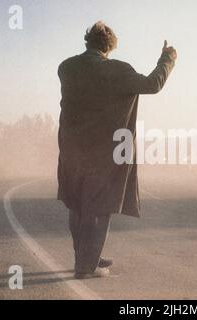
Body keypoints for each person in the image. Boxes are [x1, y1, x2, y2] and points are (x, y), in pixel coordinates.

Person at [57, 21, 177, 279]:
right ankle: (85, 267)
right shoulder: (118, 70)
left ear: (87, 40)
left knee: (76, 205)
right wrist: (167, 58)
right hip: (102, 153)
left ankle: (86, 256)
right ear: (110, 46)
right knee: (98, 207)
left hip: (71, 149)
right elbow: (152, 84)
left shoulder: (66, 68)